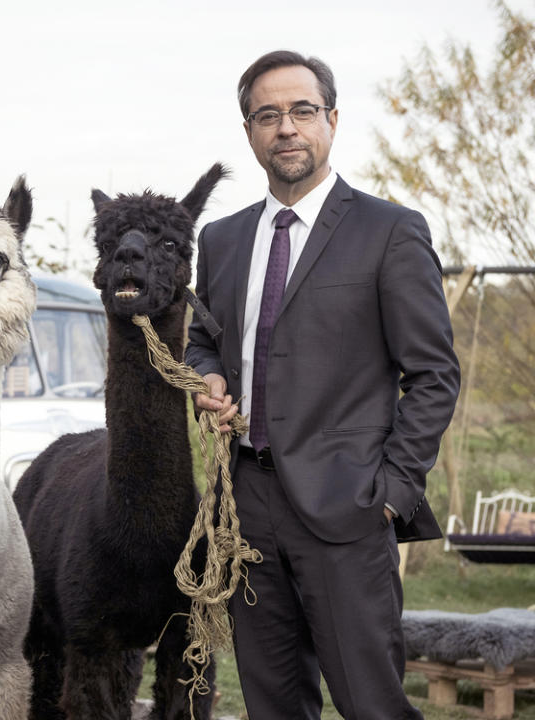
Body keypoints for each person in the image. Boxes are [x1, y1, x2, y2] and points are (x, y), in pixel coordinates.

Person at [186, 50, 460, 719]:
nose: (286, 128)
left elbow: (434, 375)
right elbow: (201, 340)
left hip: (349, 508)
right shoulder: (220, 240)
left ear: (331, 121)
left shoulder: (390, 231)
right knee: (273, 705)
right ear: (249, 131)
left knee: (373, 705)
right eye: (267, 115)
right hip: (246, 509)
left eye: (302, 111)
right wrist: (210, 375)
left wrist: (391, 494)